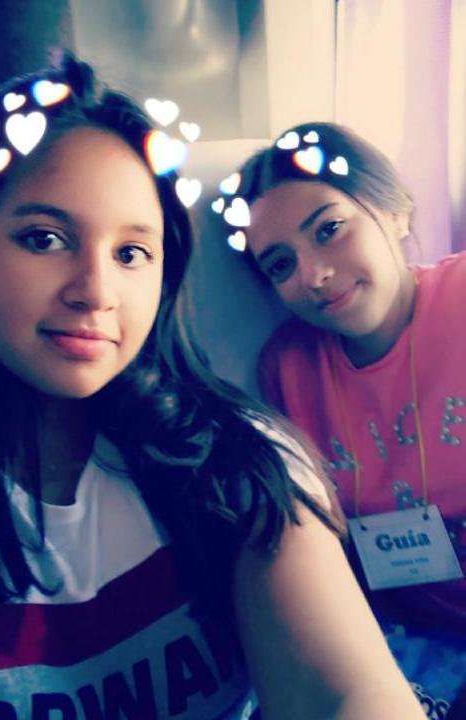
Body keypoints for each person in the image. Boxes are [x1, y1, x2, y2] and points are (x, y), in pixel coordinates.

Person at [0, 55, 424, 719]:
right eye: (44, 239)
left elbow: (343, 693)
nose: (97, 291)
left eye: (131, 253)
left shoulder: (237, 461)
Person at [221, 121, 466, 715]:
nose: (313, 275)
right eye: (281, 265)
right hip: (408, 649)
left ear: (393, 211)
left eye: (329, 230)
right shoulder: (288, 371)